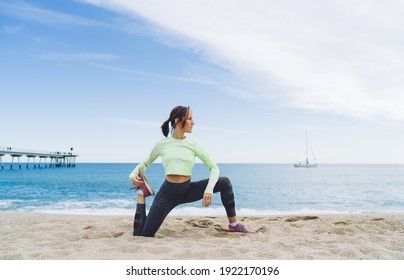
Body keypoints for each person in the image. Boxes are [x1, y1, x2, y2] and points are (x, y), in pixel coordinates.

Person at [129, 105, 256, 237]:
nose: (193, 122)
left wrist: (209, 189)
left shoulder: (194, 145)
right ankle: (141, 193)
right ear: (178, 121)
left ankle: (234, 225)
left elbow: (214, 168)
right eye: (189, 119)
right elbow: (145, 164)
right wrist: (132, 175)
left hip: (186, 189)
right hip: (167, 195)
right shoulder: (162, 144)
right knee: (142, 235)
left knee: (225, 182)